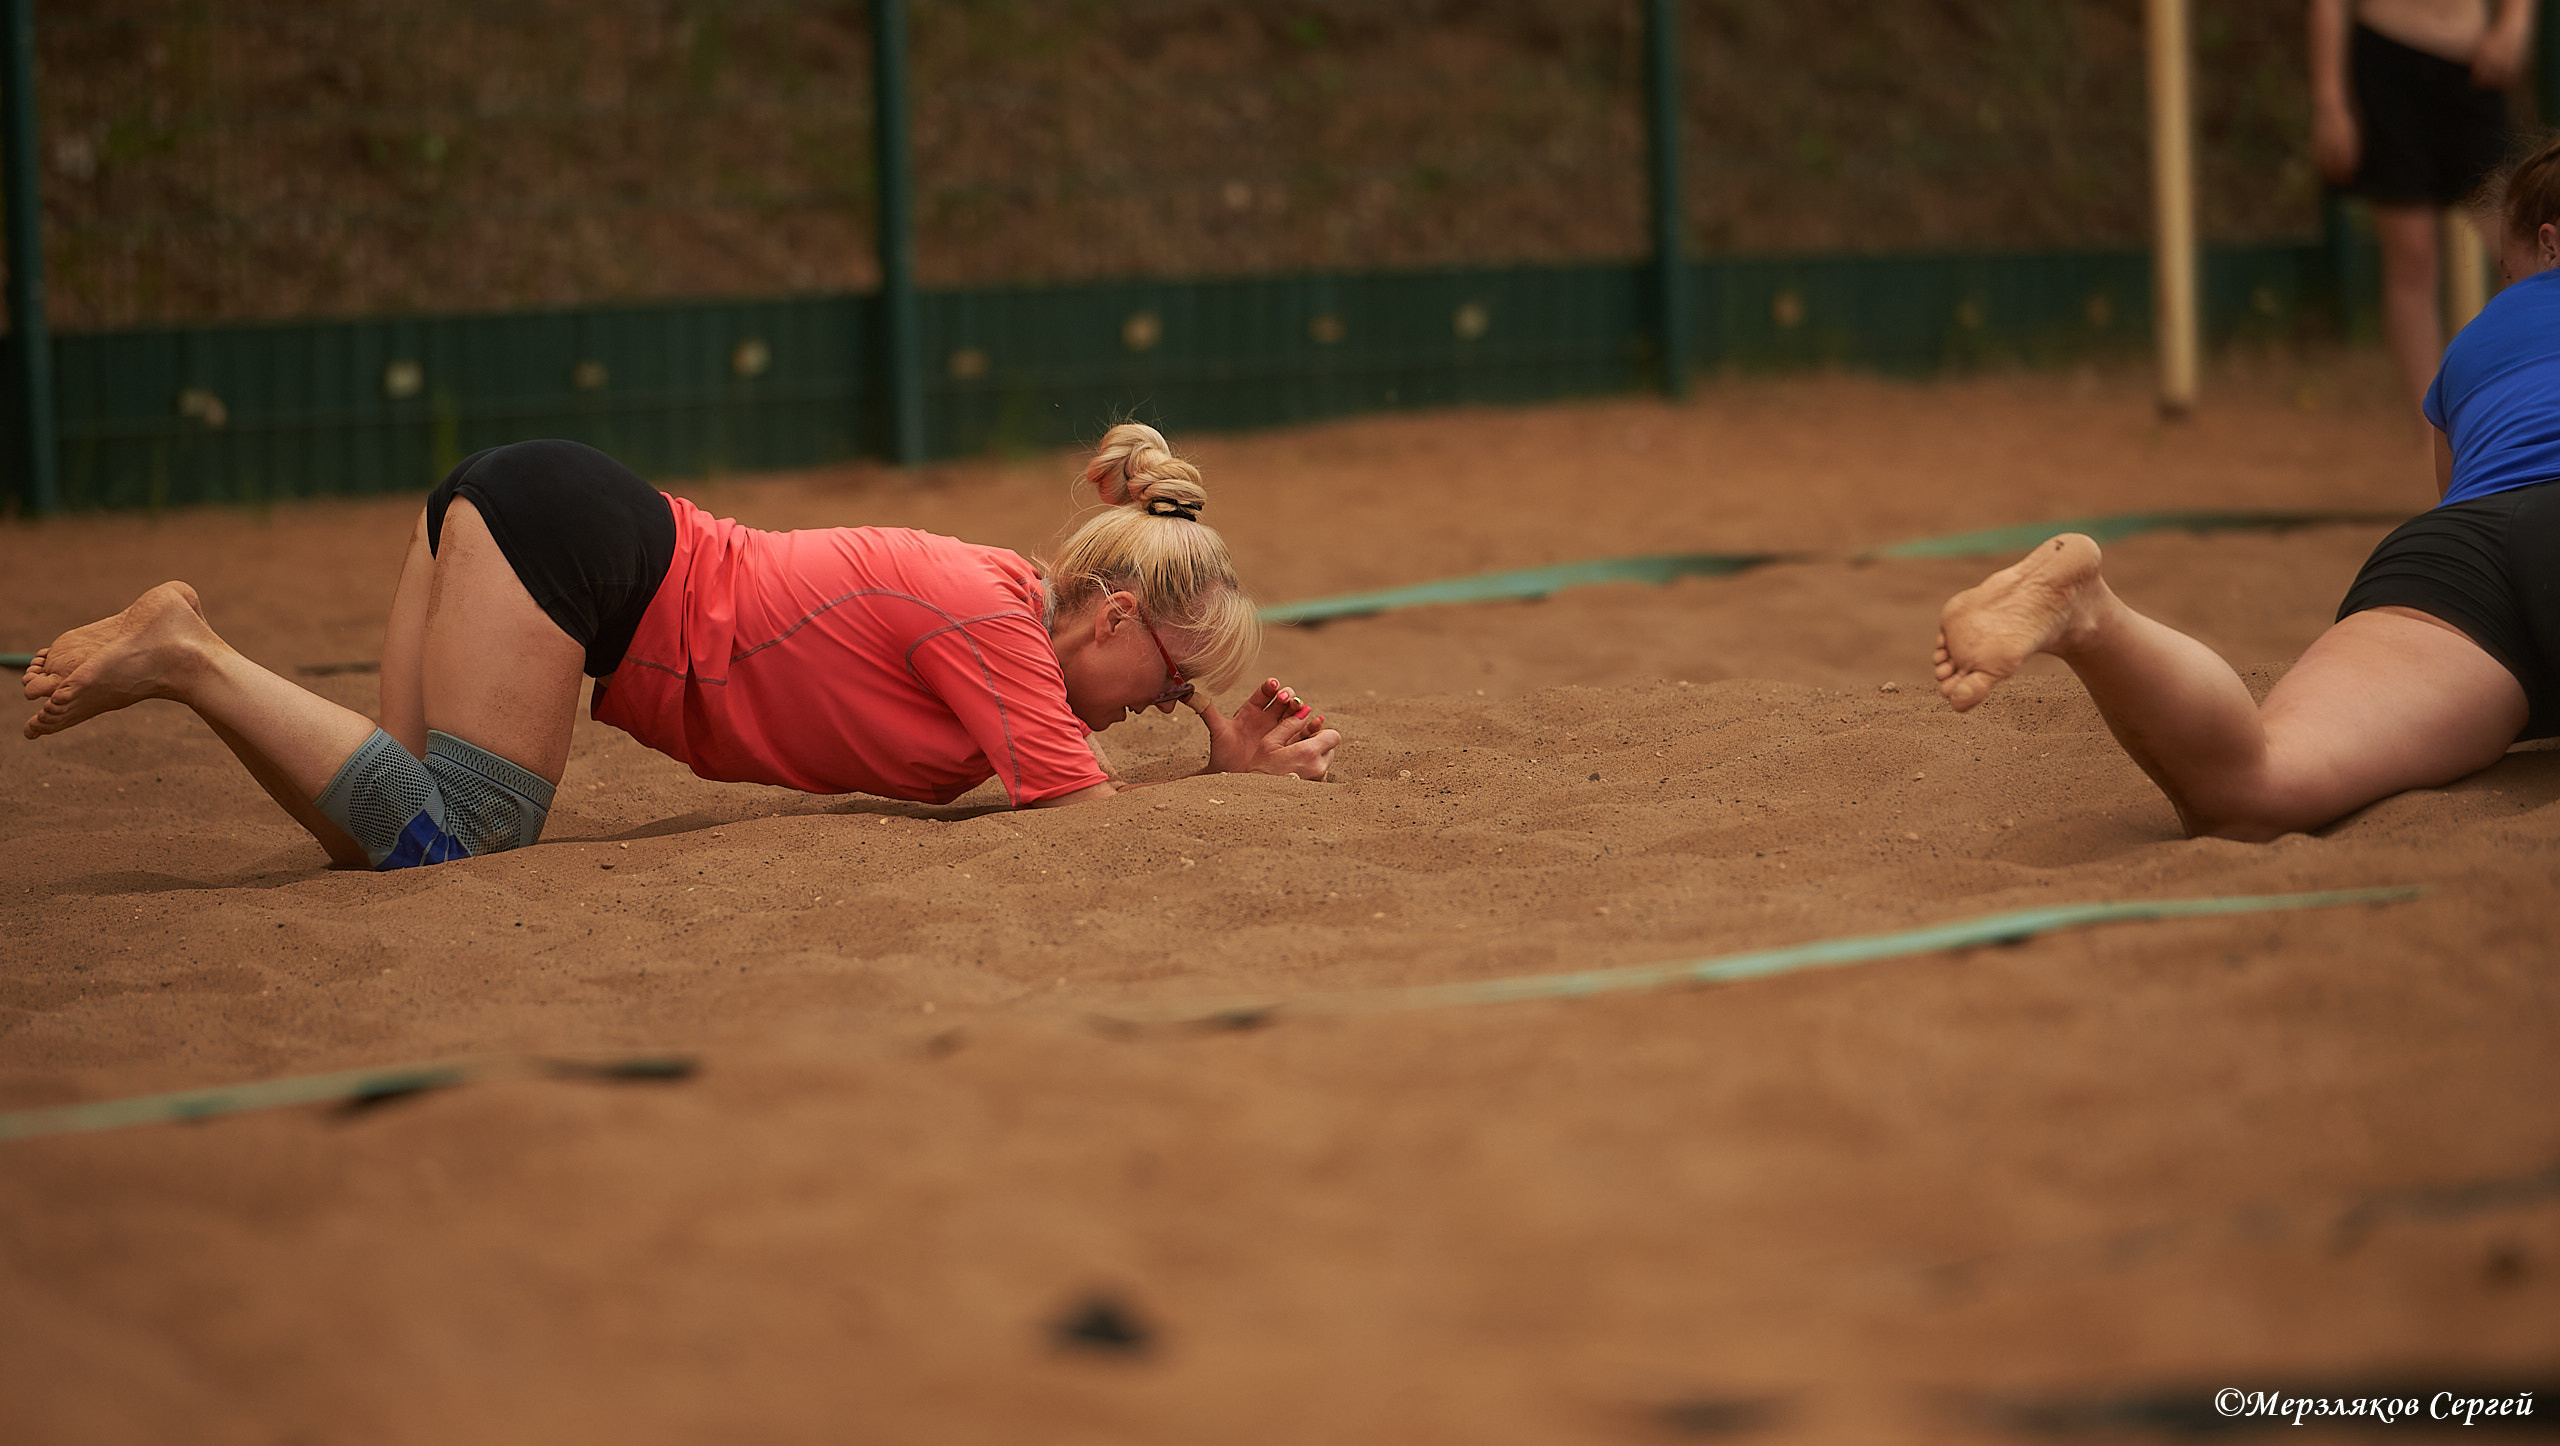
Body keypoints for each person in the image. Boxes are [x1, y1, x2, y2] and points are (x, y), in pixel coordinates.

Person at [20, 423, 1339, 870]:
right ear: (1108, 620)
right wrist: (1226, 788)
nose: (1158, 706)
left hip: (561, 522)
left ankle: (192, 658)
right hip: (584, 548)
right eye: (1166, 681)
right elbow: (1079, 815)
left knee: (377, 823)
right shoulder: (995, 620)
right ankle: (187, 649)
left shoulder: (1005, 618)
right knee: (461, 833)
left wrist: (1205, 760)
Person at [1933, 134, 2560, 841]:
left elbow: (2459, 491)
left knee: (2255, 784)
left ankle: (2092, 617)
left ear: (2545, 245)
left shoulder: (2468, 346)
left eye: (2509, 273)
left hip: (2456, 552)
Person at [2309, 0, 2536, 415]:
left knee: (2520, 247)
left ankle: (2521, 407)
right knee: (2411, 257)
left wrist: (2515, 22)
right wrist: (2329, 101)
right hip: (2386, 62)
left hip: (2474, 64)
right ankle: (2430, 427)